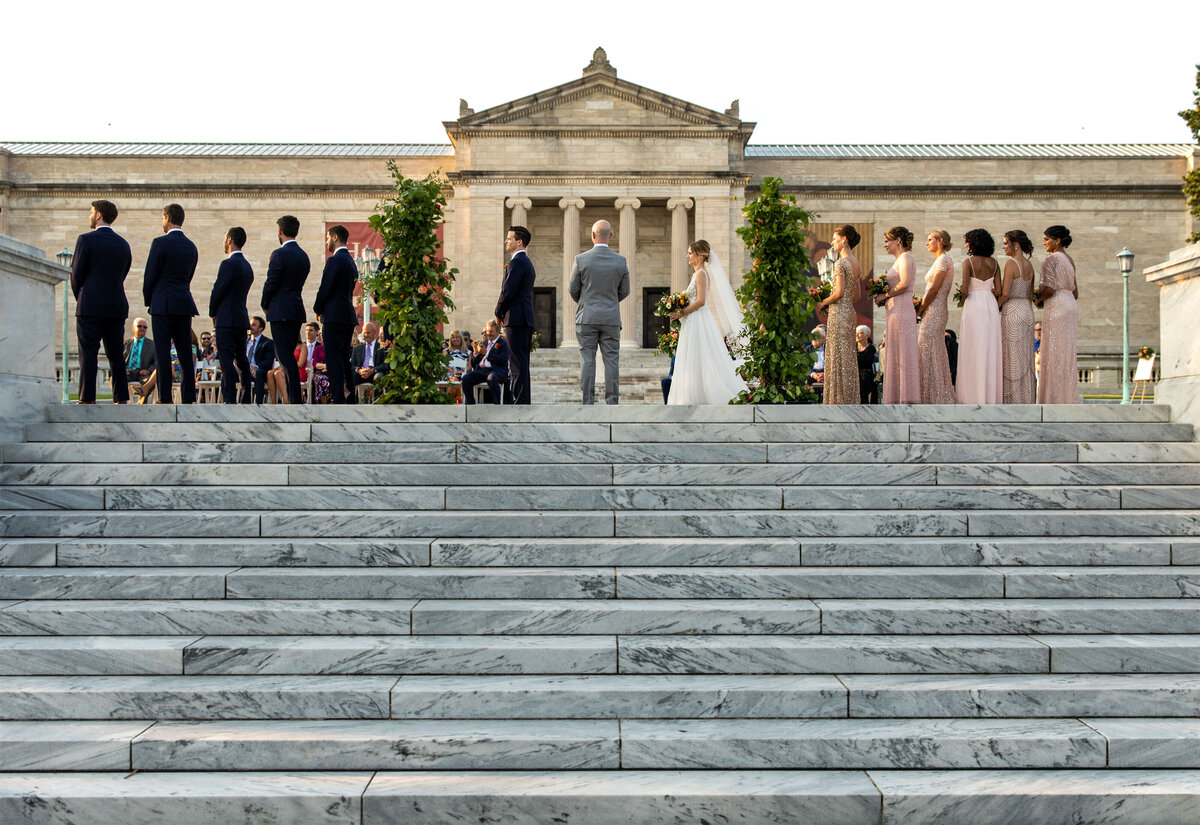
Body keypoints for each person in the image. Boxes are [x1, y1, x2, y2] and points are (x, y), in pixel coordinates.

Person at [666, 239, 747, 405]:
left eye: (690, 253)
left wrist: (682, 312)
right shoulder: (697, 274)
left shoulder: (701, 274)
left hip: (698, 319)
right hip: (693, 320)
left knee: (699, 356)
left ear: (700, 256)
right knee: (693, 357)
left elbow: (701, 301)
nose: (687, 256)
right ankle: (695, 395)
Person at [70, 200, 133, 404]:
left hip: (90, 304)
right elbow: (122, 274)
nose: (89, 215)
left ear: (98, 215)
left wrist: (80, 297)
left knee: (88, 352)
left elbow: (76, 274)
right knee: (116, 353)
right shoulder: (123, 244)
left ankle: (87, 397)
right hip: (116, 305)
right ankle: (121, 397)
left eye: (91, 212)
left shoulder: (85, 240)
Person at [569, 219, 630, 404]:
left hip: (586, 316)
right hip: (611, 318)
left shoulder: (581, 259)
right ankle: (612, 401)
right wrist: (611, 301)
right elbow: (625, 290)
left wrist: (585, 302)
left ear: (593, 235)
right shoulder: (621, 261)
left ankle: (588, 402)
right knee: (611, 360)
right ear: (611, 236)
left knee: (587, 359)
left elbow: (573, 288)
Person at [142, 203, 199, 404]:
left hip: (162, 303)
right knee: (185, 353)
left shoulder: (159, 243)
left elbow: (150, 275)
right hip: (184, 303)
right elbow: (189, 276)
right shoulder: (191, 246)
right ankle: (188, 397)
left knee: (163, 351)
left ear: (167, 217)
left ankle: (165, 397)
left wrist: (149, 299)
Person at [261, 215, 310, 404]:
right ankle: (293, 397)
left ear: (280, 232)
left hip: (280, 311)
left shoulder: (279, 254)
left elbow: (271, 283)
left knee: (285, 357)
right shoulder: (303, 255)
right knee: (288, 355)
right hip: (295, 309)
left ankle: (294, 399)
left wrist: (265, 304)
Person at [956, 228, 1003, 404]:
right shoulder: (995, 263)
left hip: (974, 303)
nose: (966, 244)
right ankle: (990, 395)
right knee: (989, 347)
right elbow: (998, 290)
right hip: (990, 304)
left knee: (972, 347)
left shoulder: (968, 262)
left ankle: (972, 395)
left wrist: (960, 296)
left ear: (974, 242)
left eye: (968, 241)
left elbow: (965, 289)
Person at [815, 225, 862, 404]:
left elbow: (839, 292)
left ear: (844, 239)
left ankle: (837, 399)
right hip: (849, 312)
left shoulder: (841, 262)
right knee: (847, 355)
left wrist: (823, 302)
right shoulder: (855, 262)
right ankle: (849, 397)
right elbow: (856, 296)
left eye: (835, 238)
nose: (833, 242)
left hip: (838, 312)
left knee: (836, 355)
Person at [1036, 224, 1081, 403]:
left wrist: (1038, 299)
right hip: (1069, 303)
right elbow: (1076, 292)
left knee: (1054, 350)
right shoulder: (1069, 260)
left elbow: (1049, 288)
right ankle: (1067, 396)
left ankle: (1054, 397)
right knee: (1066, 350)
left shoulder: (1051, 260)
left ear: (1058, 240)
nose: (1044, 242)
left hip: (1056, 306)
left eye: (1047, 239)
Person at [209, 227, 254, 404]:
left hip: (226, 318)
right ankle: (245, 397)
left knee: (226, 358)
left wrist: (212, 312)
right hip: (241, 318)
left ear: (229, 240)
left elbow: (218, 290)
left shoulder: (228, 264)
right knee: (241, 359)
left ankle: (229, 397)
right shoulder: (247, 266)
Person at [313, 224, 357, 404]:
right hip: (347, 314)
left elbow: (325, 288)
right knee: (344, 358)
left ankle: (338, 397)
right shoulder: (351, 261)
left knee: (333, 358)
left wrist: (317, 308)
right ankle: (349, 396)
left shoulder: (334, 261)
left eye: (327, 238)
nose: (326, 241)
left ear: (335, 237)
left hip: (334, 315)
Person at [876, 226, 920, 403]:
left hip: (902, 309)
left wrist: (884, 295)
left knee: (903, 350)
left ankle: (906, 396)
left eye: (887, 241)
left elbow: (904, 283)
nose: (885, 245)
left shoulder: (906, 257)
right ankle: (895, 395)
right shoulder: (898, 260)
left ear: (898, 241)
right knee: (894, 351)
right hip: (894, 310)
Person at [496, 225, 536, 404]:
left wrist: (498, 312)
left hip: (516, 318)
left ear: (519, 242)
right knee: (521, 363)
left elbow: (508, 291)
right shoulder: (524, 262)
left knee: (517, 364)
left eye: (509, 238)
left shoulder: (517, 262)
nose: (506, 241)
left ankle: (520, 402)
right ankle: (522, 400)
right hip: (523, 318)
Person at [916, 229, 956, 404]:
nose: (926, 243)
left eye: (930, 239)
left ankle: (935, 394)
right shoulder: (940, 260)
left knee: (929, 348)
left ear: (940, 241)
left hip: (935, 309)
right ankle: (930, 392)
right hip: (934, 309)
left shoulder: (943, 260)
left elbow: (934, 288)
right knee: (929, 348)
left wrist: (921, 307)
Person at [999, 229, 1037, 404]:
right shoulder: (1030, 265)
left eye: (1006, 243)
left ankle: (1012, 400)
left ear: (1016, 244)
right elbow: (1030, 295)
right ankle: (1026, 398)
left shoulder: (1010, 264)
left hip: (1012, 310)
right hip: (1027, 311)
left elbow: (1005, 292)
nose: (1004, 246)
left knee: (1011, 356)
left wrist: (995, 307)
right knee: (1025, 357)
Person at [462, 320, 509, 404]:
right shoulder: (484, 343)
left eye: (491, 331)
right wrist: (475, 353)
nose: (488, 333)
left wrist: (486, 353)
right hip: (482, 371)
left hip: (496, 370)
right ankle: (470, 404)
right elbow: (474, 364)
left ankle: (497, 404)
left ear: (498, 332)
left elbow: (502, 360)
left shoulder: (503, 344)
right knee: (466, 378)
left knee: (491, 378)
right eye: (487, 331)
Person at [351, 322, 389, 396]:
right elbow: (352, 365)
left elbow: (385, 364)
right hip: (361, 374)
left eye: (368, 333)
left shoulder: (382, 348)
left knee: (379, 377)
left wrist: (373, 370)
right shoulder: (357, 349)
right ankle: (351, 402)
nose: (366, 335)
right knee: (349, 376)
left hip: (375, 373)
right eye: (364, 333)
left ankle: (377, 401)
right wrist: (359, 370)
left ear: (374, 333)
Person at [122, 317, 156, 397]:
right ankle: (120, 400)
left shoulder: (152, 345)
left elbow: (156, 361)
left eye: (145, 327)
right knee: (114, 378)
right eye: (139, 326)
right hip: (127, 372)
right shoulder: (126, 343)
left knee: (149, 381)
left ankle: (142, 402)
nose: (142, 328)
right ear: (133, 328)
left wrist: (149, 370)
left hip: (143, 373)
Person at [246, 316, 275, 404]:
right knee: (228, 372)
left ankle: (259, 403)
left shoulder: (268, 342)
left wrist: (256, 367)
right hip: (244, 369)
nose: (250, 327)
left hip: (259, 370)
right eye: (250, 324)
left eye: (253, 325)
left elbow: (269, 361)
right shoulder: (244, 341)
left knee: (258, 373)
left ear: (260, 328)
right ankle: (228, 400)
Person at [299, 322, 329, 402]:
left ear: (317, 332)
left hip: (315, 372)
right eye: (306, 330)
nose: (308, 332)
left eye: (311, 330)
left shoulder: (320, 346)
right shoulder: (301, 346)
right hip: (303, 371)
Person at [856, 325, 878, 404]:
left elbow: (868, 362)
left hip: (866, 372)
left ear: (867, 335)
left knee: (864, 377)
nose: (857, 335)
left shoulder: (871, 348)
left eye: (860, 333)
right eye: (856, 333)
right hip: (855, 372)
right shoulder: (853, 347)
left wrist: (856, 360)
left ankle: (865, 402)